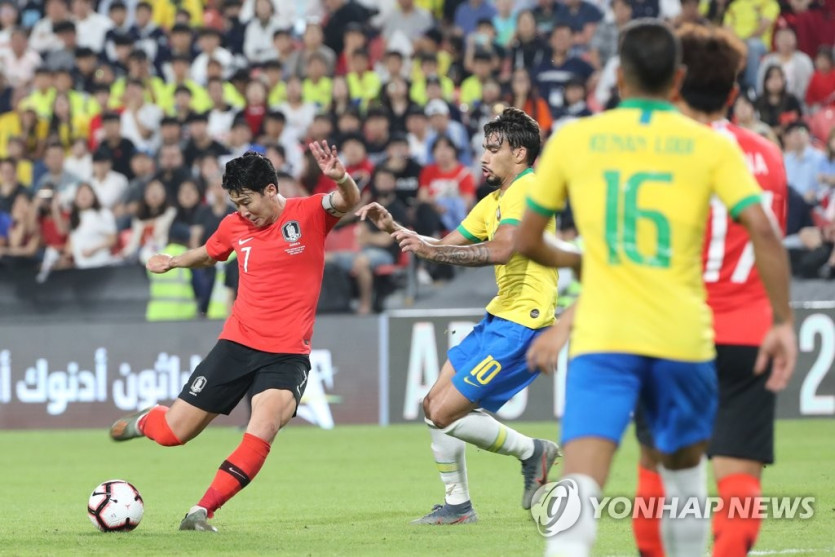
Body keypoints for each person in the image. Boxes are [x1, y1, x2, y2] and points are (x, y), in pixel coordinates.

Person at [517, 20, 796, 557]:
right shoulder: (709, 147)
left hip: (605, 336)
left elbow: (527, 239)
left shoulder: (575, 138)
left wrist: (582, 258)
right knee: (685, 484)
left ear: (618, 78)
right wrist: (782, 322)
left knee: (580, 494)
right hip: (683, 337)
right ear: (677, 80)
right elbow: (763, 229)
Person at [108, 145, 361, 532]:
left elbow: (348, 200)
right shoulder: (233, 226)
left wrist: (340, 176)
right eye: (235, 203)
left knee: (265, 424)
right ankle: (147, 420)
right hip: (237, 345)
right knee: (175, 433)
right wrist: (175, 261)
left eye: (246, 202)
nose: (242, 211)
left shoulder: (309, 213)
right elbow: (211, 254)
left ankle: (201, 511)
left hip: (287, 355)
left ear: (271, 191)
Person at [356, 108, 581, 524]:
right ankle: (458, 505)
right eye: (484, 147)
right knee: (431, 404)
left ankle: (533, 453)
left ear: (520, 153)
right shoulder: (494, 199)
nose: (484, 156)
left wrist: (432, 250)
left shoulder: (528, 189)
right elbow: (443, 243)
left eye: (494, 149)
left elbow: (502, 250)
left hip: (524, 324)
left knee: (445, 413)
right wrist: (395, 229)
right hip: (499, 318)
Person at [626, 25, 791, 557]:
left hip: (674, 332)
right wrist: (782, 321)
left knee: (654, 473)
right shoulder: (767, 155)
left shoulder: (659, 153)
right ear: (733, 92)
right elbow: (770, 236)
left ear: (675, 87)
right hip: (749, 333)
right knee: (739, 488)